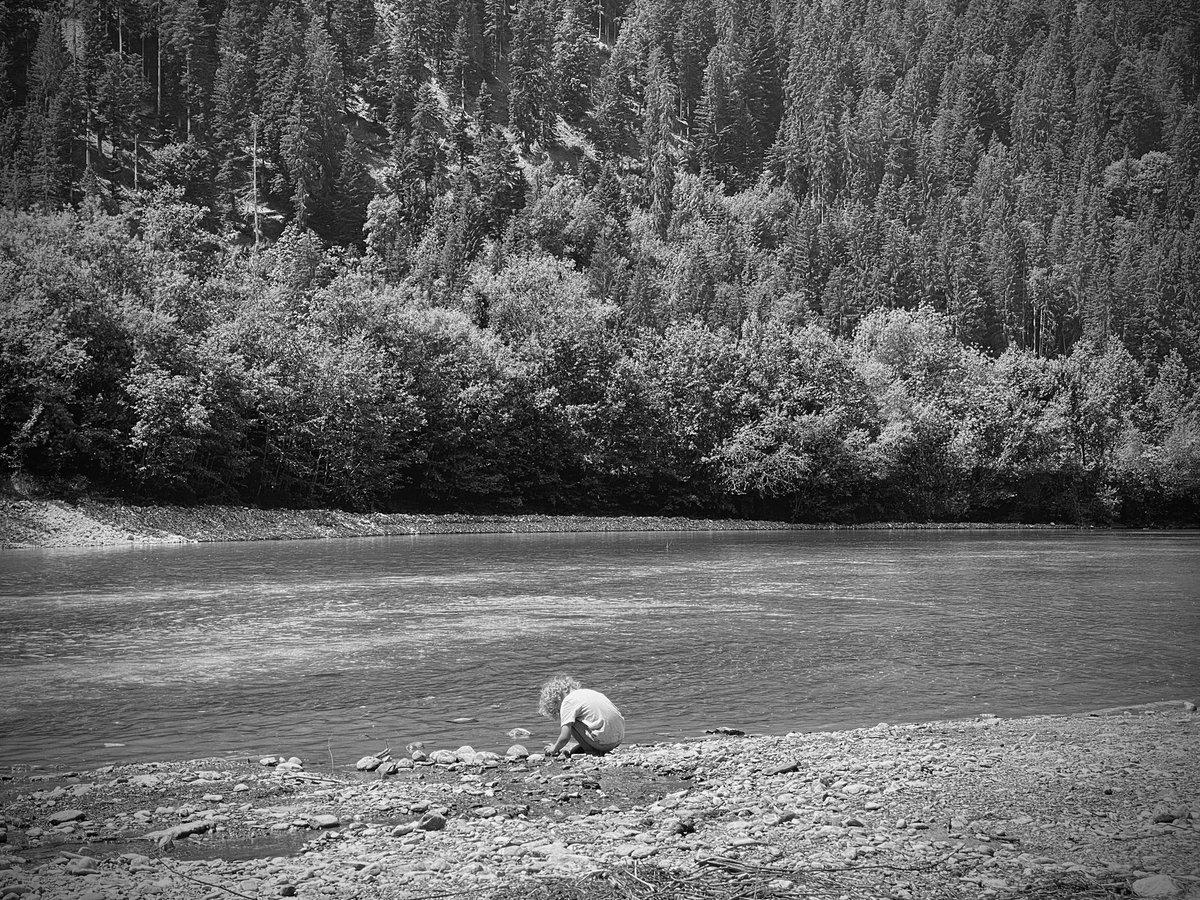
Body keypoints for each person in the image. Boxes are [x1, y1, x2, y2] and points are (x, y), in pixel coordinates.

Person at [538, 675, 625, 757]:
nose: (560, 712)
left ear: (555, 700)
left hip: (604, 743)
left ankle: (591, 750)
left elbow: (565, 737)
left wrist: (554, 748)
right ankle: (595, 746)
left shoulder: (568, 702)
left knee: (571, 721)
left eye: (558, 710)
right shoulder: (589, 693)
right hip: (619, 739)